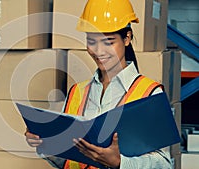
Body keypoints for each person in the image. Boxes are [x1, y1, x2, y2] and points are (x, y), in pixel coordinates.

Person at [25, 0, 173, 168]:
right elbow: (68, 161)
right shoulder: (76, 93)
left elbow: (165, 164)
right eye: (92, 41)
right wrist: (46, 144)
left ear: (127, 38)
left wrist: (120, 163)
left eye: (108, 42)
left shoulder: (149, 94)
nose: (99, 51)